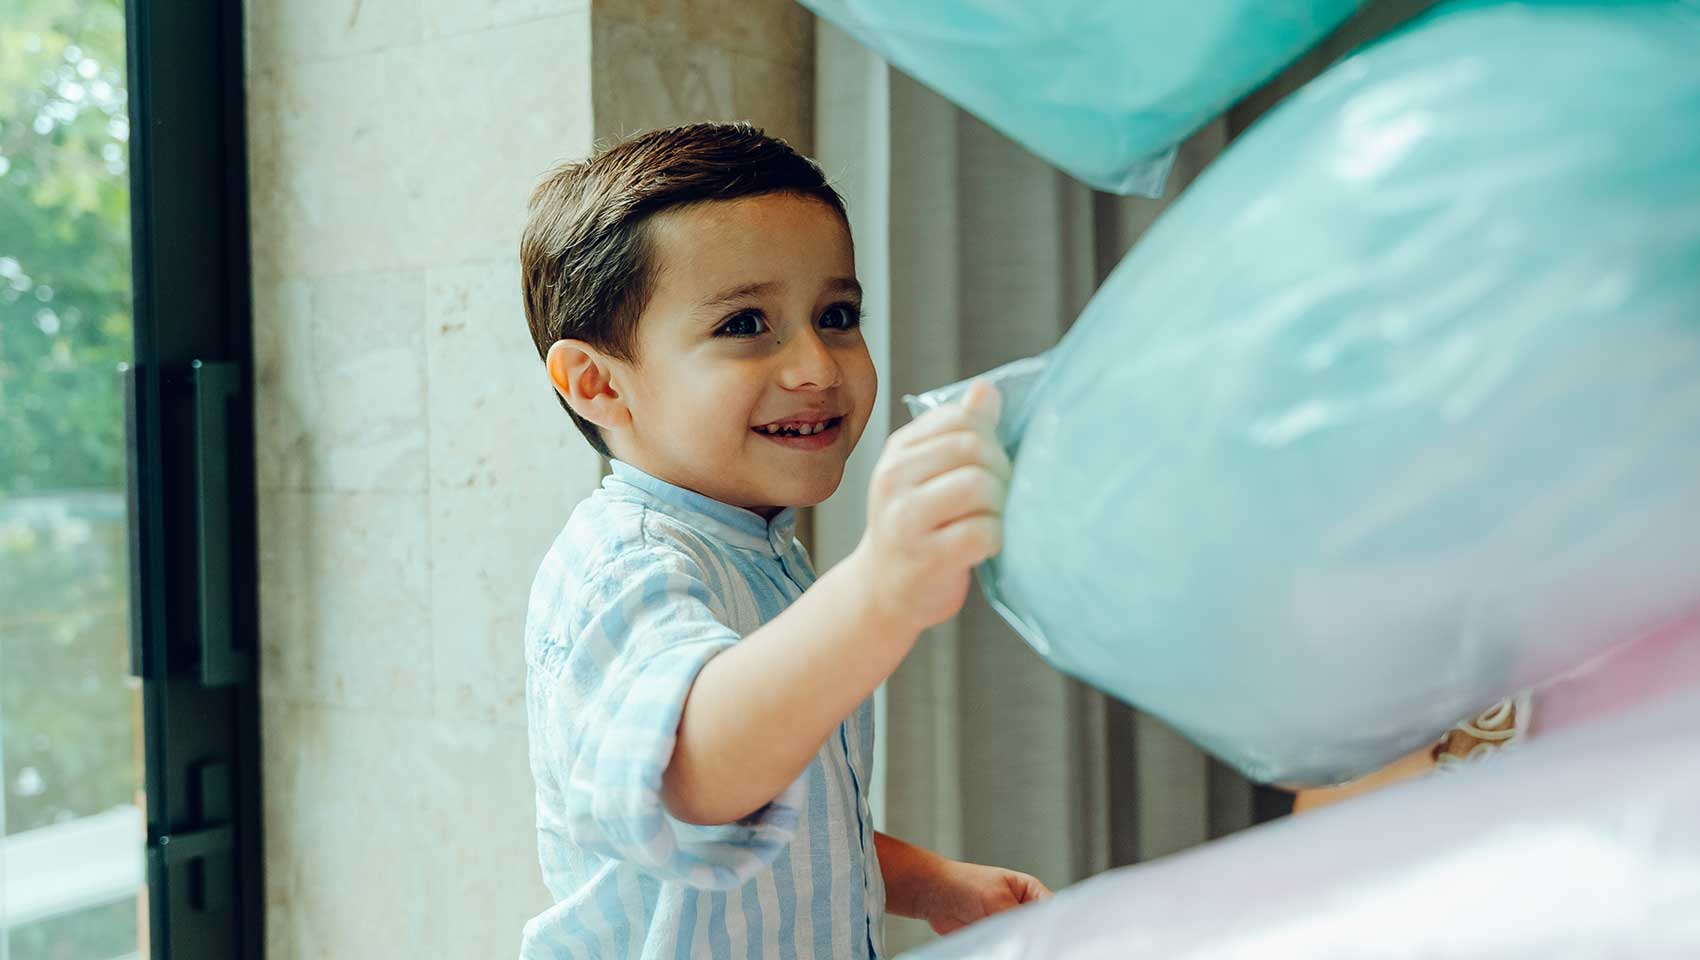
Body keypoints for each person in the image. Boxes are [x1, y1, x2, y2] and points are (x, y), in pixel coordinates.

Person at [517, 122, 1050, 958]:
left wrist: (926, 881)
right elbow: (695, 774)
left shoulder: (757, 551)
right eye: (744, 325)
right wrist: (880, 588)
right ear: (598, 383)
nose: (817, 365)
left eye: (836, 315)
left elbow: (790, 820)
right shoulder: (626, 564)